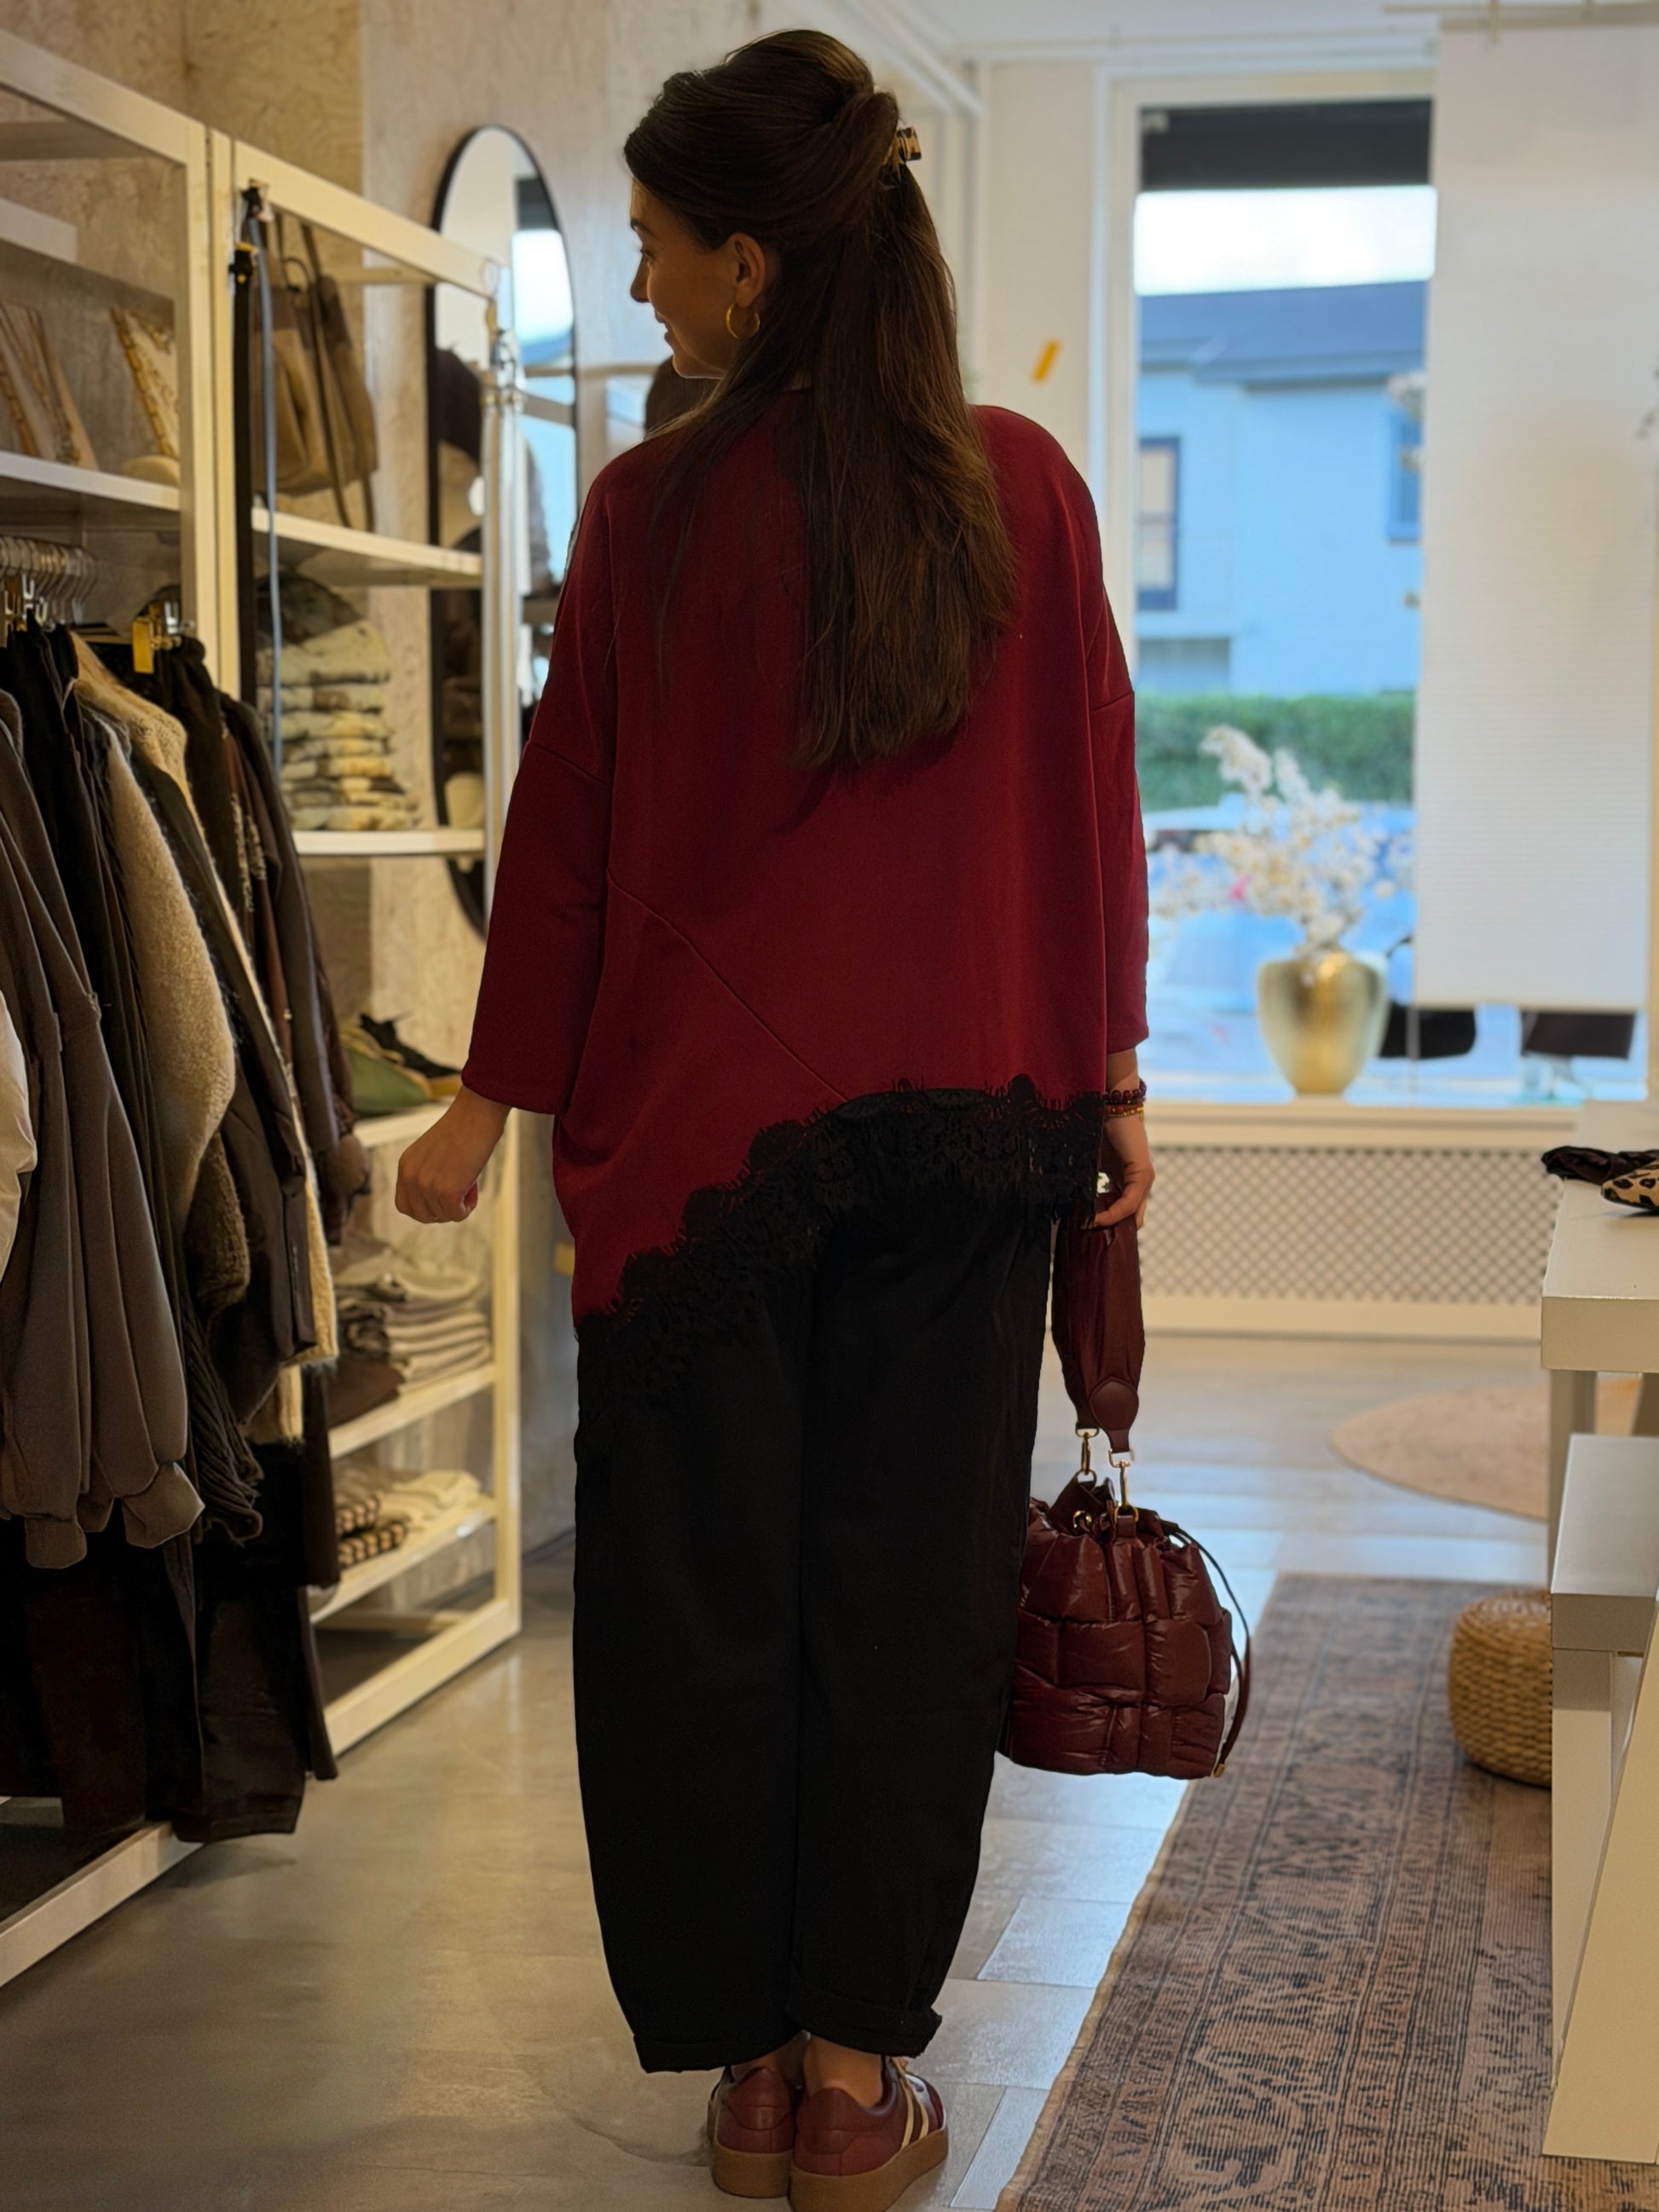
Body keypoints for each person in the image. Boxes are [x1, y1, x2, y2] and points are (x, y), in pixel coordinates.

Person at [396, 29, 1151, 2210]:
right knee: (910, 1606)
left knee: (697, 1614)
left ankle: (743, 2068)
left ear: (751, 261)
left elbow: (567, 840)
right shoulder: (1021, 488)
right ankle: (846, 2078)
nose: (637, 282)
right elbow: (1090, 798)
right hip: (964, 1141)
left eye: (653, 244)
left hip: (703, 1167)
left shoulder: (653, 512)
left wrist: (481, 1107)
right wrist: (1109, 1076)